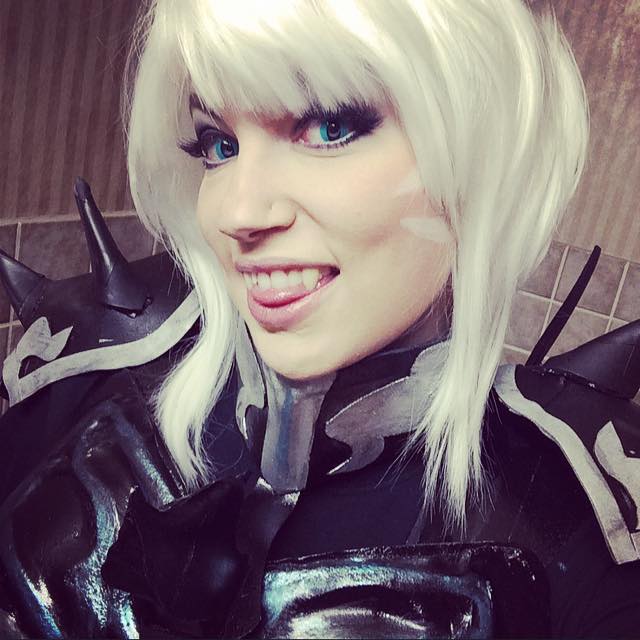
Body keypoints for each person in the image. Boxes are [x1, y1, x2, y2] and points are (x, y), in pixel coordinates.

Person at [0, 0, 639, 637]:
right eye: (218, 145)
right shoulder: (89, 375)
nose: (238, 213)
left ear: (479, 157)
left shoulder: (579, 525)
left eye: (330, 128)